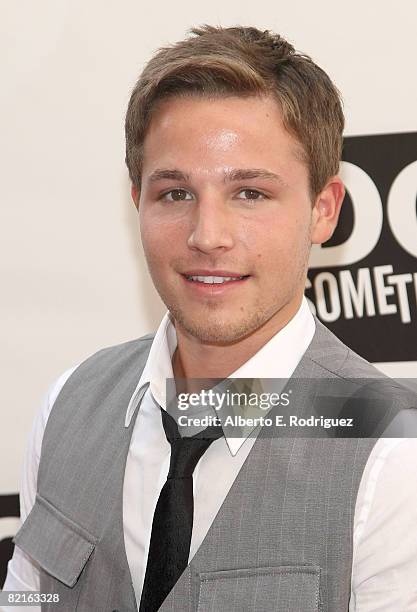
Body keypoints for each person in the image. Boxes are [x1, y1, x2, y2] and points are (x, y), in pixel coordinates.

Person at [3, 25, 417, 612]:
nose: (207, 236)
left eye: (250, 193)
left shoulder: (396, 456)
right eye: (175, 193)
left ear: (323, 211)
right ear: (136, 203)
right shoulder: (68, 407)